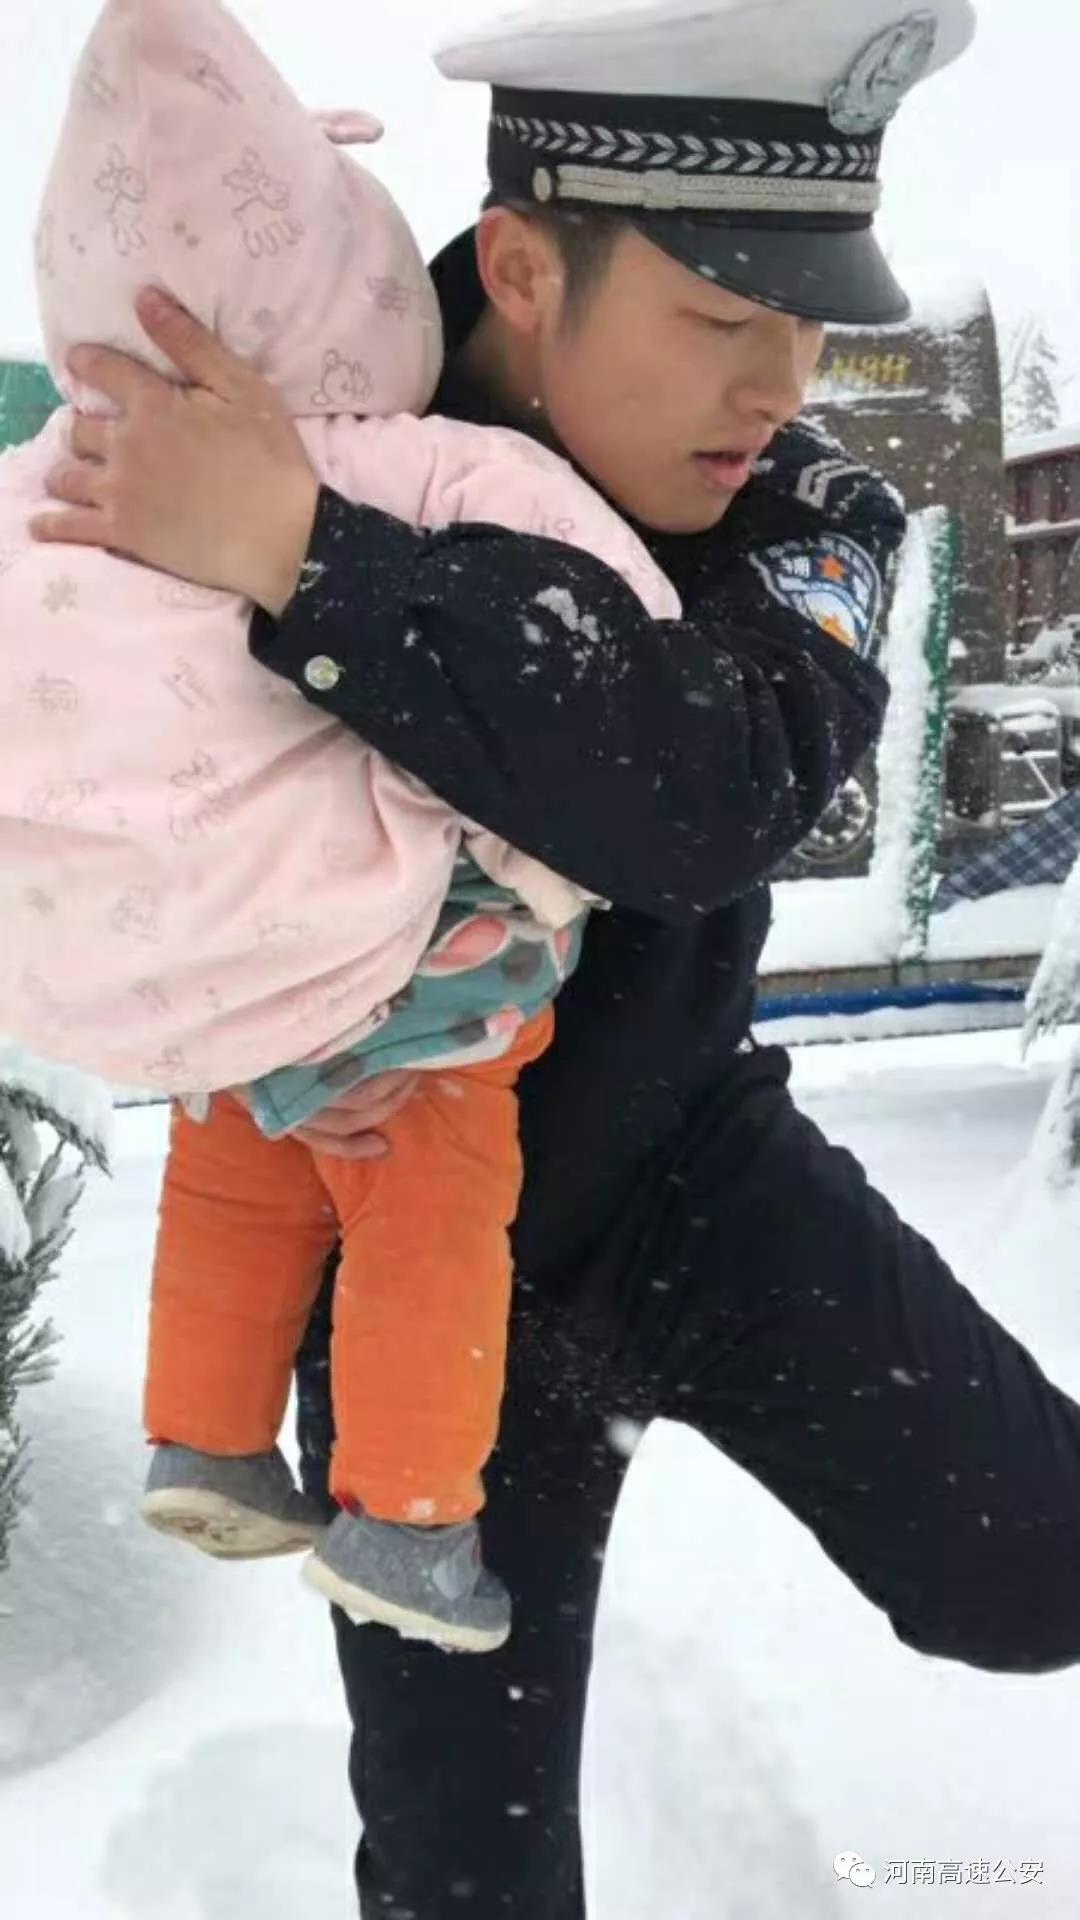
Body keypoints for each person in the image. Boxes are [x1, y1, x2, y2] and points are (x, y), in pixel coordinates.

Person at [34, 2, 1080, 1916]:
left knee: (1035, 1574)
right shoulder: (294, 416)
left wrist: (311, 561)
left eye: (809, 322)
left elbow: (701, 791)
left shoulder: (811, 512)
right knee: (466, 1873)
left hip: (700, 1178)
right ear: (523, 267)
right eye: (720, 313)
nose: (779, 384)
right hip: (404, 1237)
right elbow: (84, 778)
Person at [1, 0, 687, 1655]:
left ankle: (207, 1442)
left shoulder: (42, 474)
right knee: (430, 1191)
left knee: (242, 1158)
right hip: (389, 955)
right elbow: (621, 638)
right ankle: (408, 1522)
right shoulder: (417, 460)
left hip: (174, 972)